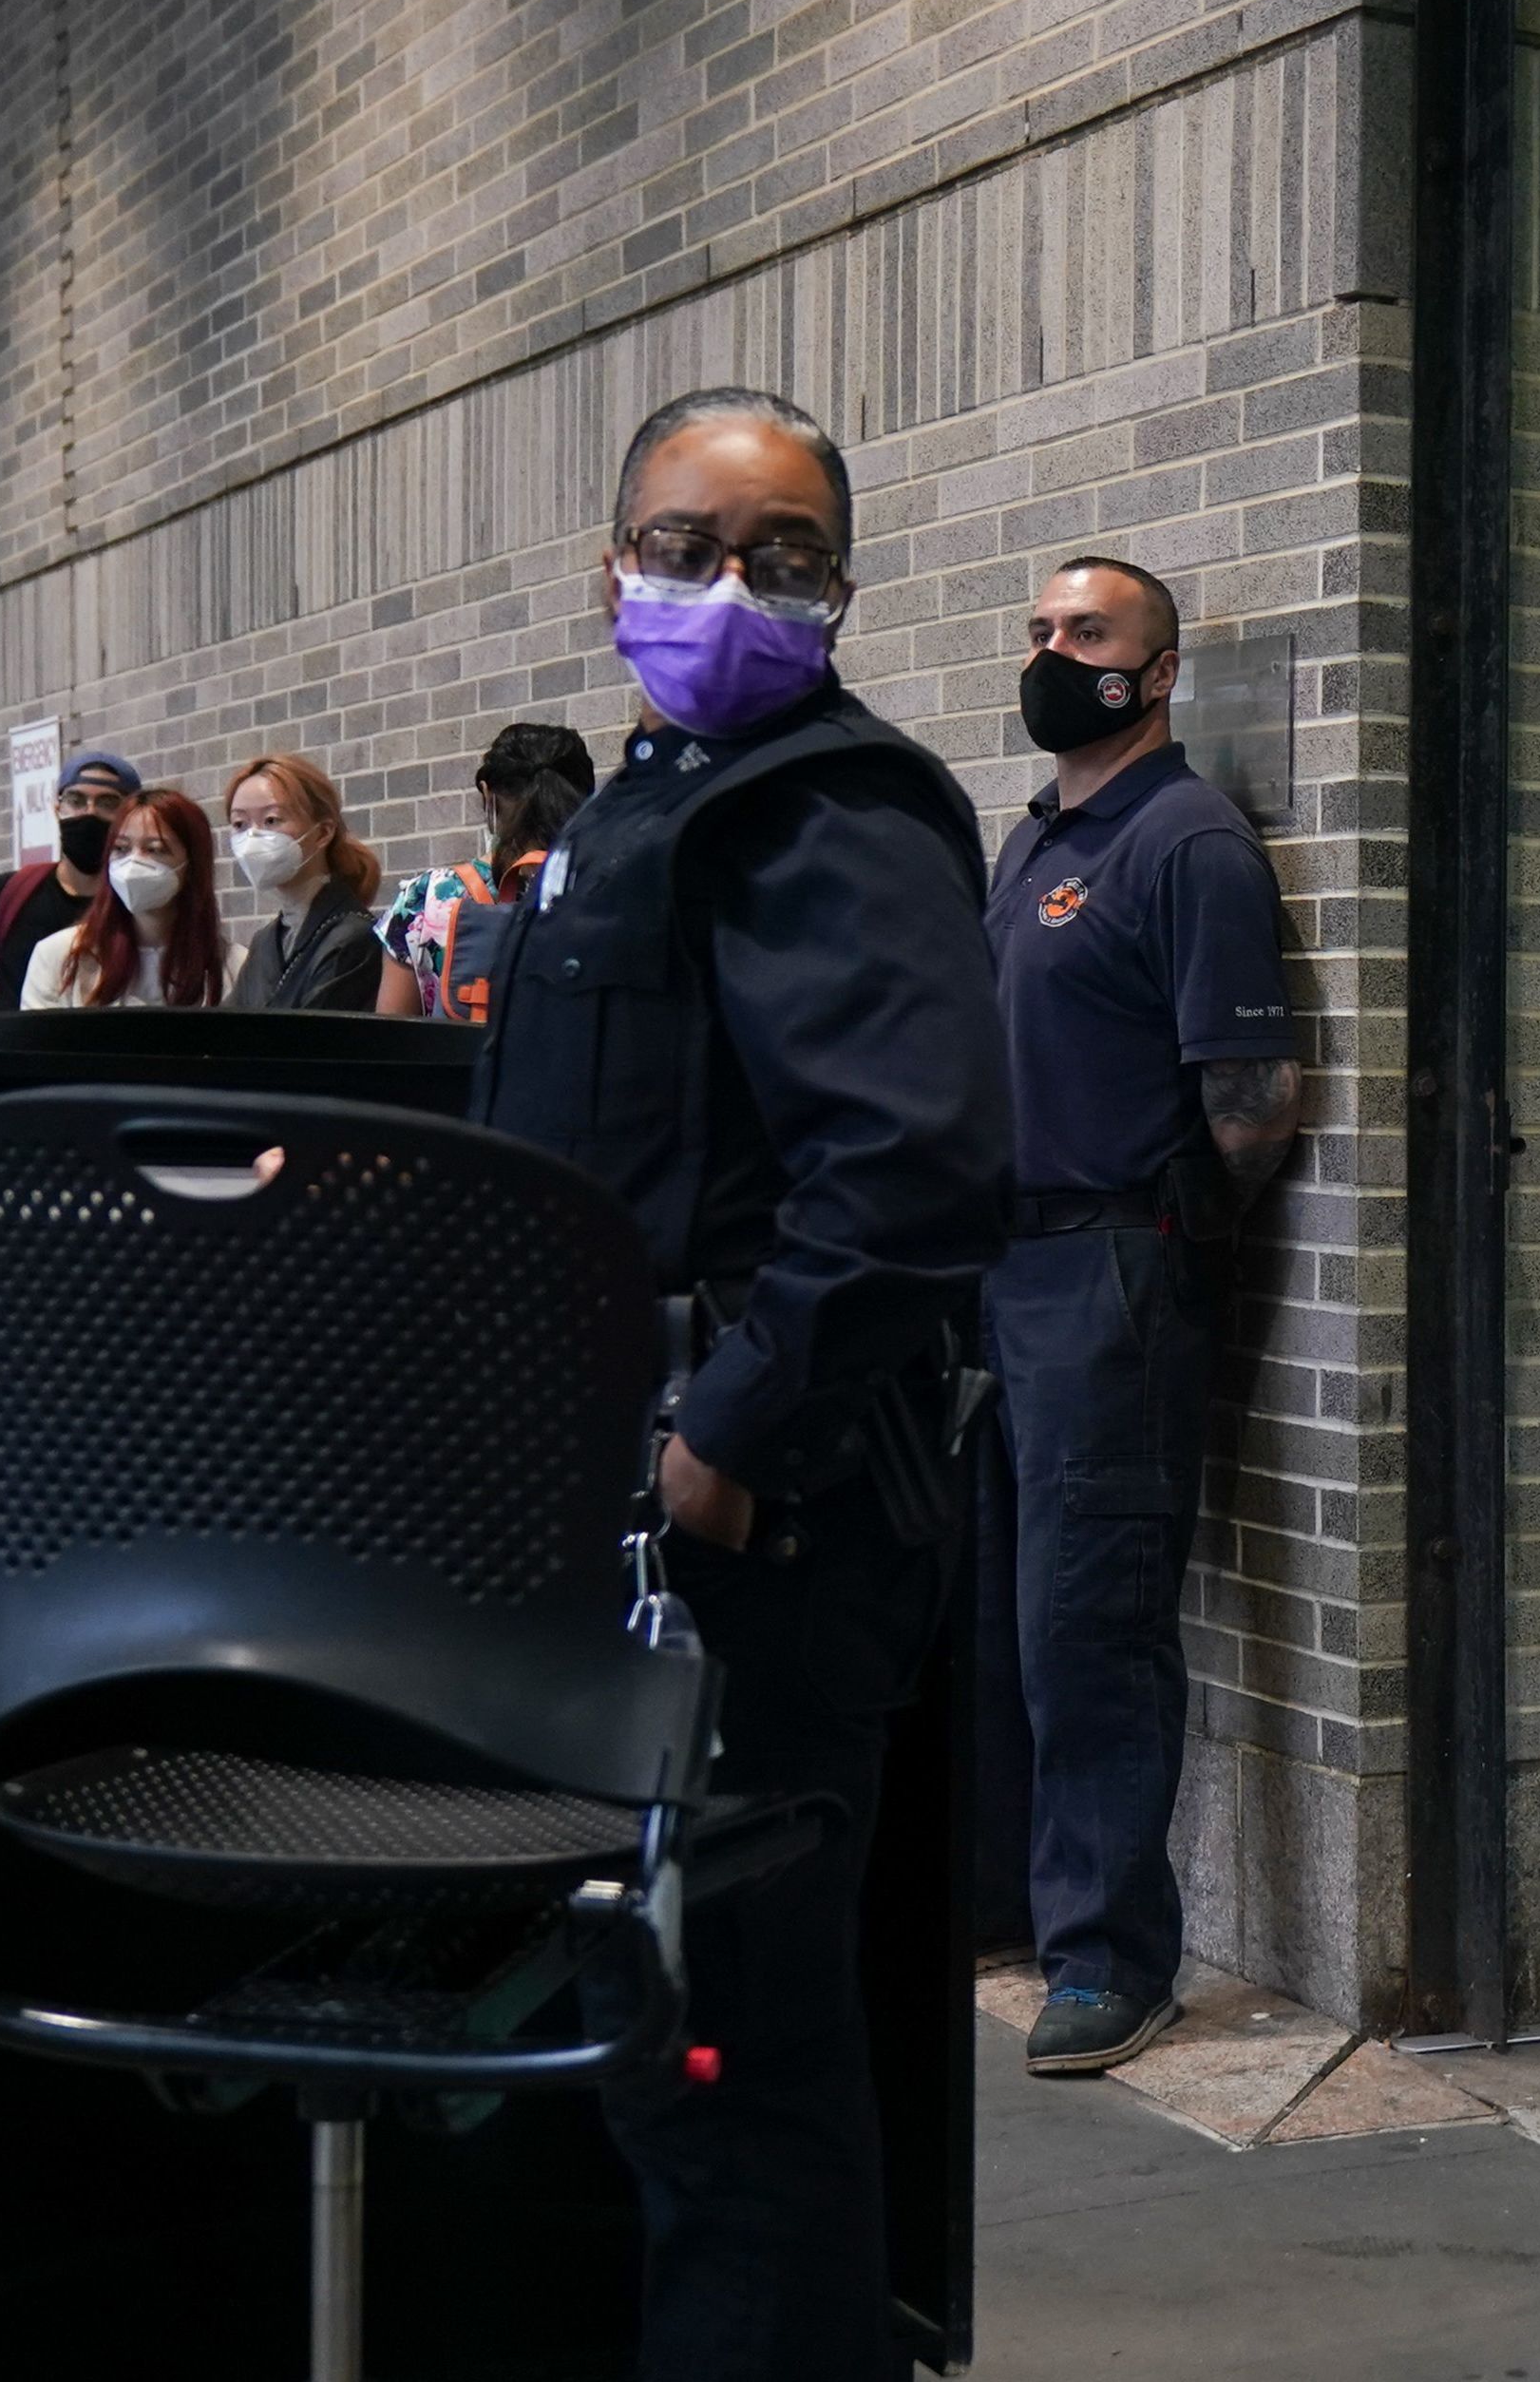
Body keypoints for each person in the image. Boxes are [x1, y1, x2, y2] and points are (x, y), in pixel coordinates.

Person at [467, 385, 1009, 2381]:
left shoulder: (830, 808)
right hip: (625, 1521)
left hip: (756, 1539)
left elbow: (917, 1172)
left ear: (841, 593)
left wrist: (724, 1435)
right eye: (688, 547)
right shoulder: (646, 799)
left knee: (734, 2062)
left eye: (784, 557)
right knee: (670, 2052)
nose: (731, 588)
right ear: (611, 569)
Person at [976, 555, 1300, 2077]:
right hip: (1006, 1271)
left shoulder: (1187, 842)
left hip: (1114, 1273)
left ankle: (1114, 1959)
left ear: (1157, 672)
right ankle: (1026, 1909)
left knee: (1092, 1627)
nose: (1054, 652)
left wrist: (1165, 1246)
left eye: (1086, 634)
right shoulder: (1039, 833)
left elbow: (1250, 1109)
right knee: (1020, 1618)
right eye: (1042, 631)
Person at [375, 721, 597, 1019]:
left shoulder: (424, 899)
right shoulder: (610, 891)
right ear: (588, 797)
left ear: (487, 793)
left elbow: (390, 1042)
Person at [0, 750, 143, 1017]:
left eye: (107, 803)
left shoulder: (139, 902)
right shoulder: (9, 894)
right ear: (57, 808)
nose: (89, 813)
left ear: (130, 817)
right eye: (76, 800)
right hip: (12, 1056)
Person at [21, 791, 244, 1009]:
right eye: (121, 848)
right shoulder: (59, 957)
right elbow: (37, 1044)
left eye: (155, 850)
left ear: (192, 865)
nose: (133, 863)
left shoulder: (235, 967)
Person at [224, 753, 386, 1011]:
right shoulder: (265, 942)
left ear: (322, 833)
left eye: (271, 820)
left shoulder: (352, 939)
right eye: (239, 824)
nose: (252, 837)